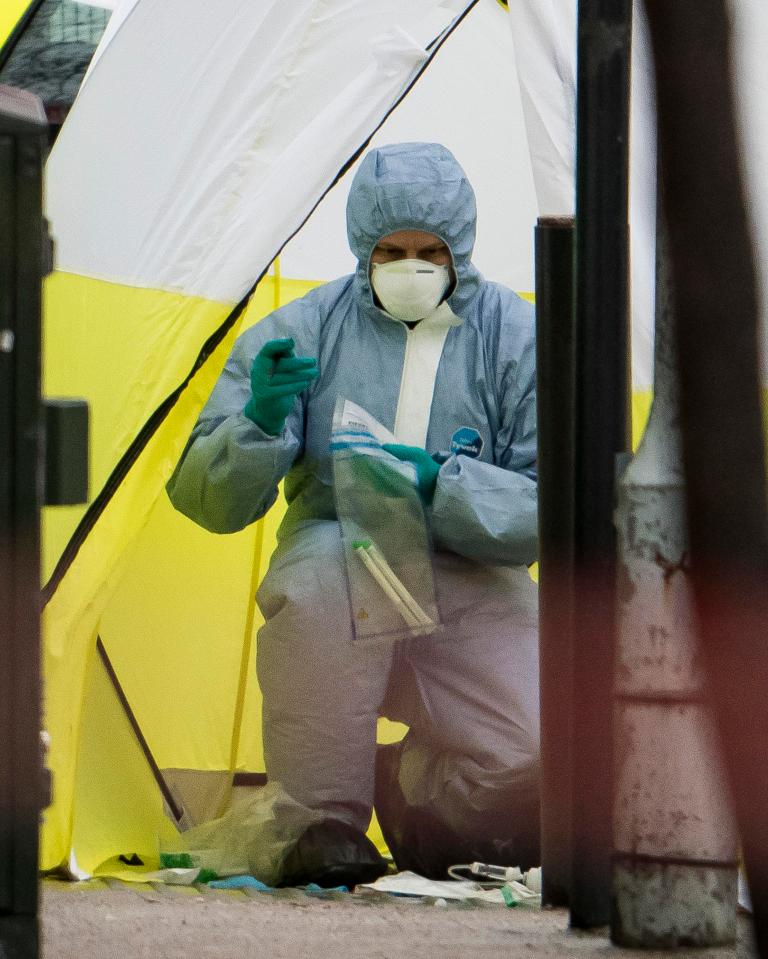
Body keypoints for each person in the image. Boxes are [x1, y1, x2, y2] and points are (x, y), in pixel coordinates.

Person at [167, 142, 539, 887]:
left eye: (429, 250)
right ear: (361, 246)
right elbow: (205, 499)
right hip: (338, 557)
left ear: (459, 246)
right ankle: (322, 821)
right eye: (391, 249)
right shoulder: (300, 331)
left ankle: (418, 794)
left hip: (468, 571)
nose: (411, 266)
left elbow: (562, 504)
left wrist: (447, 484)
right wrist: (261, 423)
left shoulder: (516, 339)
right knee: (314, 597)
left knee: (539, 748)